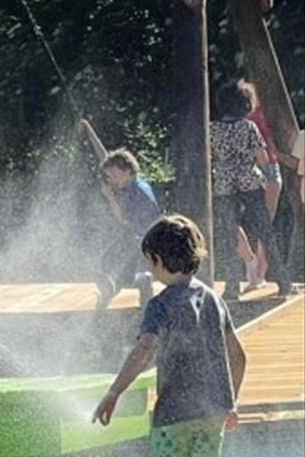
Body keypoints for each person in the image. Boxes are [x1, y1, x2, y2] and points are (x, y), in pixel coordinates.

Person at [93, 214, 247, 457]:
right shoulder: (214, 300)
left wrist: (114, 392)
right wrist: (229, 403)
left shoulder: (161, 305)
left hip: (174, 416)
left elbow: (144, 350)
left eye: (149, 262)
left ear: (157, 260)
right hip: (211, 416)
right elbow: (238, 356)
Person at [210, 79, 292, 299]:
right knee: (266, 231)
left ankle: (231, 287)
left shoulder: (212, 129)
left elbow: (211, 157)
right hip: (250, 182)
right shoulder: (248, 127)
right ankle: (283, 283)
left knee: (229, 234)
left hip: (225, 185)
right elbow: (262, 157)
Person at [96, 149, 162, 309]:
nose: (112, 179)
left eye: (114, 175)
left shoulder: (138, 192)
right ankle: (124, 287)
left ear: (127, 171)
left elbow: (123, 219)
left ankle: (141, 285)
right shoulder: (130, 185)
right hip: (136, 235)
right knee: (107, 267)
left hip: (143, 238)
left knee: (116, 270)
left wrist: (110, 198)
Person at [235, 97, 284, 291]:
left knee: (259, 222)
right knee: (265, 222)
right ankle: (257, 271)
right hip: (266, 167)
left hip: (255, 169)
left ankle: (257, 272)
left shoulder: (242, 120)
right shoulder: (261, 116)